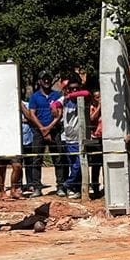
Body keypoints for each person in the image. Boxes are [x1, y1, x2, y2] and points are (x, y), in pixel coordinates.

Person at [52, 72, 89, 200]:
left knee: (79, 164)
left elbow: (86, 93)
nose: (74, 90)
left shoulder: (81, 97)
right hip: (68, 138)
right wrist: (55, 108)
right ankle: (74, 188)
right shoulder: (65, 100)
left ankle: (67, 184)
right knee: (72, 164)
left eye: (76, 88)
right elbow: (55, 104)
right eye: (71, 89)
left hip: (80, 138)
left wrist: (71, 95)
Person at [26, 72, 63, 195]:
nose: (46, 81)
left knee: (58, 159)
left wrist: (49, 128)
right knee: (37, 159)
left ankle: (60, 186)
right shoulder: (35, 97)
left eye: (48, 79)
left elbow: (60, 113)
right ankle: (37, 187)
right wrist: (42, 129)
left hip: (54, 131)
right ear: (40, 81)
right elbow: (32, 114)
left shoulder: (57, 95)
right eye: (44, 79)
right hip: (38, 132)